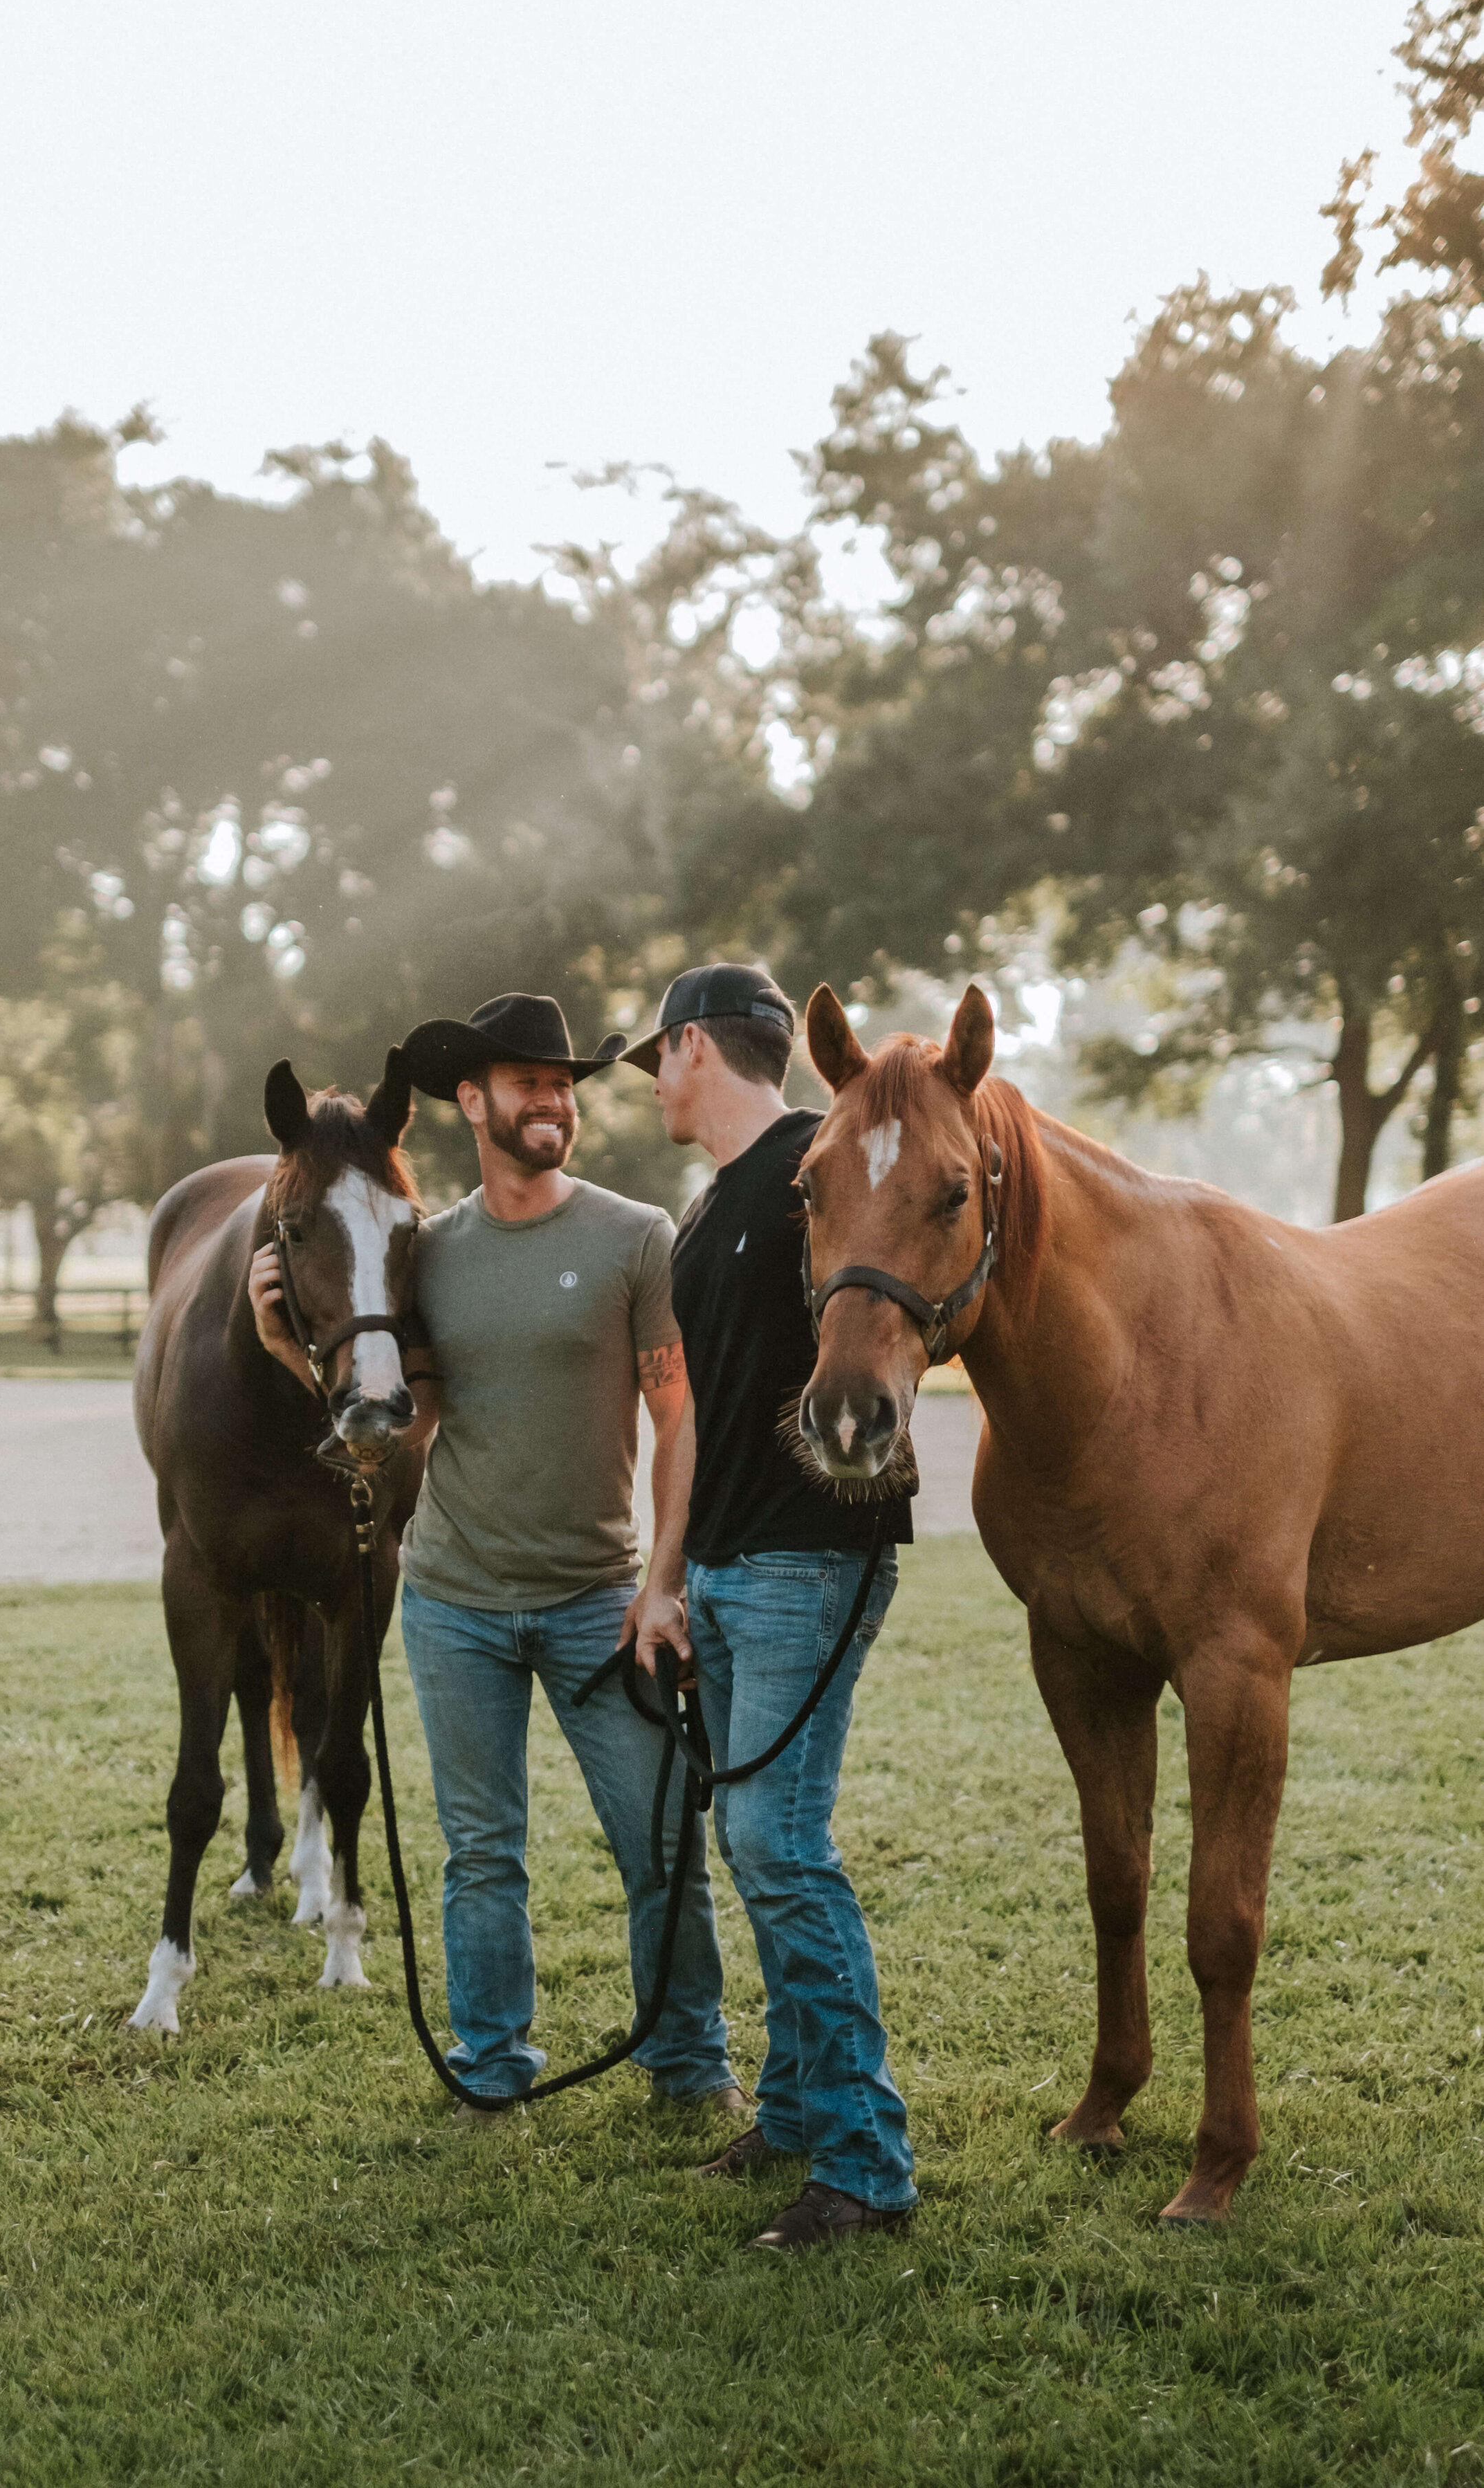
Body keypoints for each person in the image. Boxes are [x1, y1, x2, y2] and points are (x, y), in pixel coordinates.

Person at [251, 991, 742, 2120]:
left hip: (598, 1600)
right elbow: (399, 1424)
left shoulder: (633, 1237)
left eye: (564, 1084)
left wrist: (661, 1583)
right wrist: (288, 1350)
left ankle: (691, 2061)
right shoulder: (429, 1252)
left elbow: (683, 1417)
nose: (553, 1102)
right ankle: (491, 2065)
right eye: (528, 1083)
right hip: (456, 1603)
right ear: (471, 1100)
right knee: (482, 1856)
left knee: (660, 1840)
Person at [621, 963, 918, 2251]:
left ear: (695, 1047)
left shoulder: (830, 1167)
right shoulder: (702, 1214)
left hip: (813, 1553)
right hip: (731, 1565)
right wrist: (671, 1573)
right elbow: (689, 1415)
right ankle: (797, 2112)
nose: (656, 1083)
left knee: (782, 1847)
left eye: (660, 1058)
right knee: (759, 1846)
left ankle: (866, 2165)